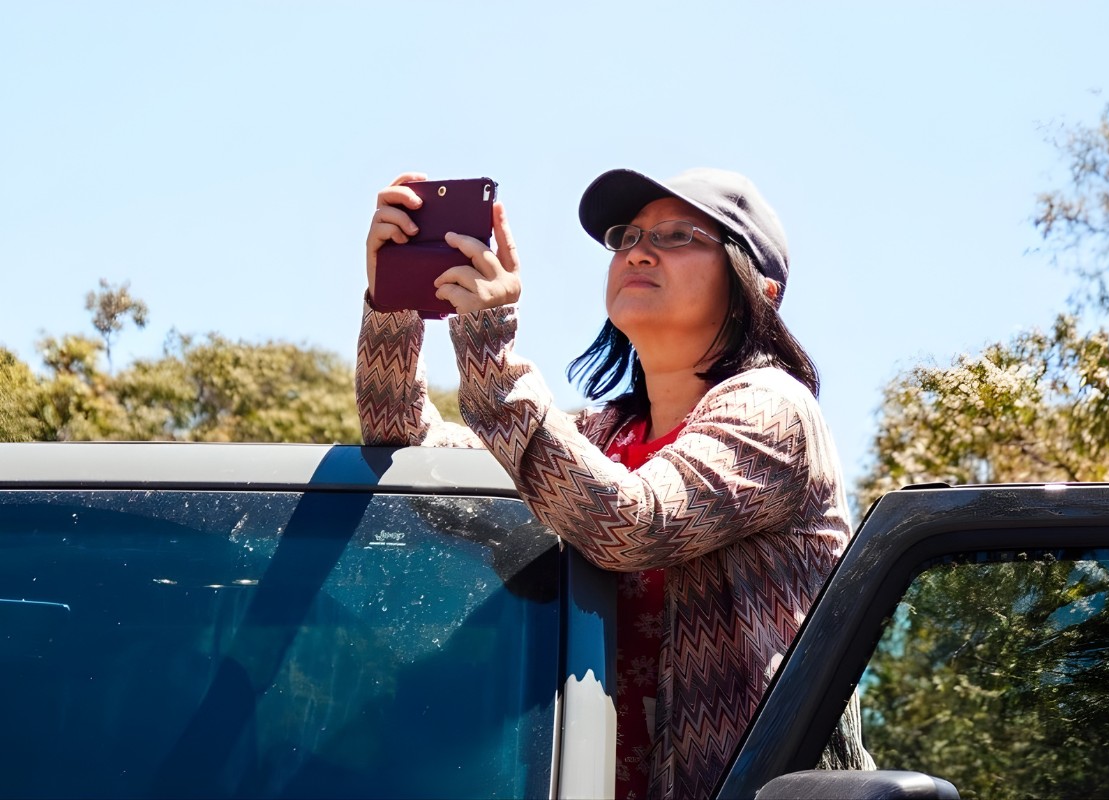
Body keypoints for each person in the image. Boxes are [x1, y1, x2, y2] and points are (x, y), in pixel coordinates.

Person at [356, 167, 869, 799]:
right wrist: (392, 304)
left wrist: (491, 344)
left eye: (681, 236)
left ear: (755, 290)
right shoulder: (597, 440)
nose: (639, 250)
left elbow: (631, 524)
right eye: (627, 236)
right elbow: (410, 457)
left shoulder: (773, 411)